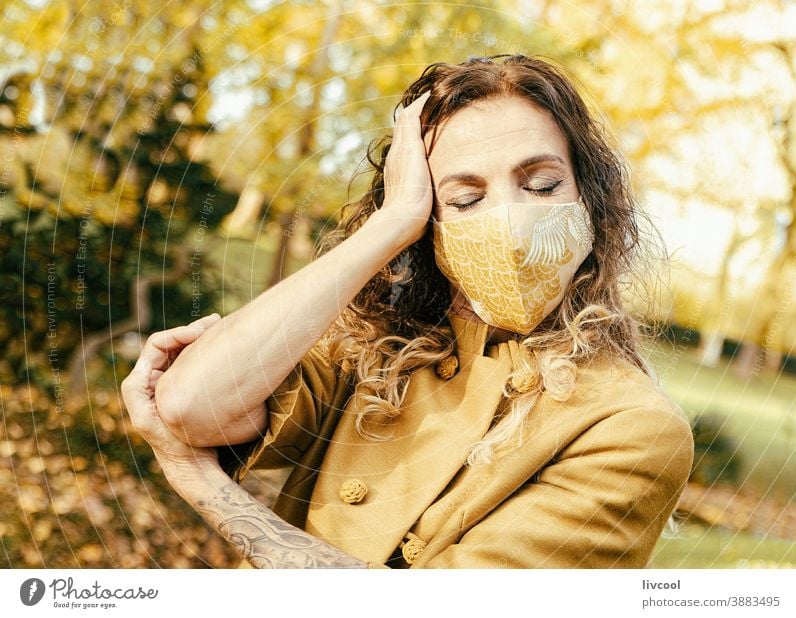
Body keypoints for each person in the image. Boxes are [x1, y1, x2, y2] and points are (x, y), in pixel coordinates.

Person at [122, 54, 694, 569]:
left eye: (542, 185)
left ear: (589, 199)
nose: (510, 221)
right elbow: (193, 405)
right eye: (466, 199)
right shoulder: (374, 347)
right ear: (430, 228)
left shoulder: (632, 427)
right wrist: (390, 224)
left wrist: (206, 488)